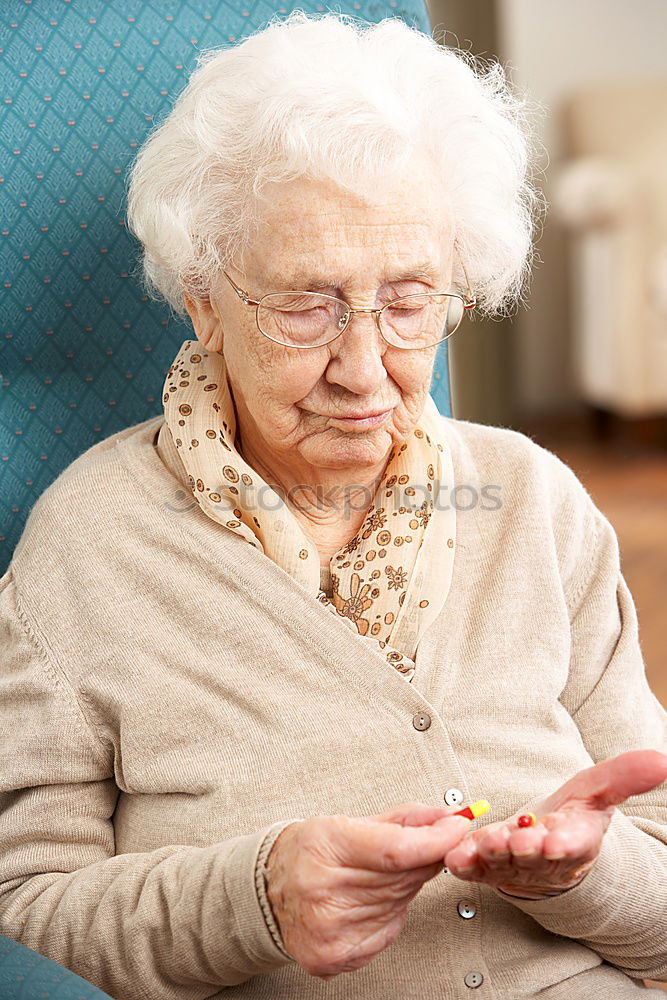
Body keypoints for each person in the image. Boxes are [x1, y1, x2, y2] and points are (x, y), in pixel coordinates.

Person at [0, 10, 665, 1000]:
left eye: (407, 302)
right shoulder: (89, 544)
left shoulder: (533, 498)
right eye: (308, 305)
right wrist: (255, 898)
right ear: (204, 298)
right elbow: (28, 921)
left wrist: (582, 872)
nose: (363, 371)